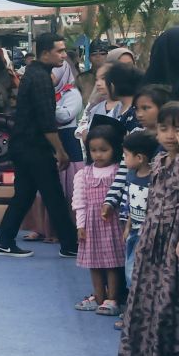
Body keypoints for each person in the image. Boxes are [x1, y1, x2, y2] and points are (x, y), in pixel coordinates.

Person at [120, 103, 179, 356]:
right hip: (152, 236)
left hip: (177, 237)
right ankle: (145, 353)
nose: (170, 135)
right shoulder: (159, 160)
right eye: (164, 128)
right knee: (148, 293)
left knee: (173, 296)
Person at [0, 35, 79, 258]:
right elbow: (46, 120)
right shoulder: (40, 77)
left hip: (25, 145)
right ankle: (70, 245)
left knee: (25, 195)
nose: (64, 55)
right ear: (45, 53)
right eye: (59, 51)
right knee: (53, 196)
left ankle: (3, 241)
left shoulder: (34, 73)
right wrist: (60, 151)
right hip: (34, 147)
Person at [72, 118, 126, 317]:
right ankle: (98, 295)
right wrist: (80, 226)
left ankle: (113, 298)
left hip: (113, 224)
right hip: (91, 225)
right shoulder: (83, 174)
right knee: (93, 263)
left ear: (115, 149)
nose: (98, 154)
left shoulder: (120, 171)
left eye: (104, 150)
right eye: (93, 150)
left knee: (113, 263)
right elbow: (79, 202)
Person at [104, 127, 156, 287]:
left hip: (147, 233)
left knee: (140, 269)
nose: (124, 159)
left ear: (139, 158)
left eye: (126, 155)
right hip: (133, 230)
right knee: (130, 266)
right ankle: (133, 297)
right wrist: (128, 226)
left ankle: (140, 298)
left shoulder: (154, 179)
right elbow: (132, 205)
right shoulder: (131, 176)